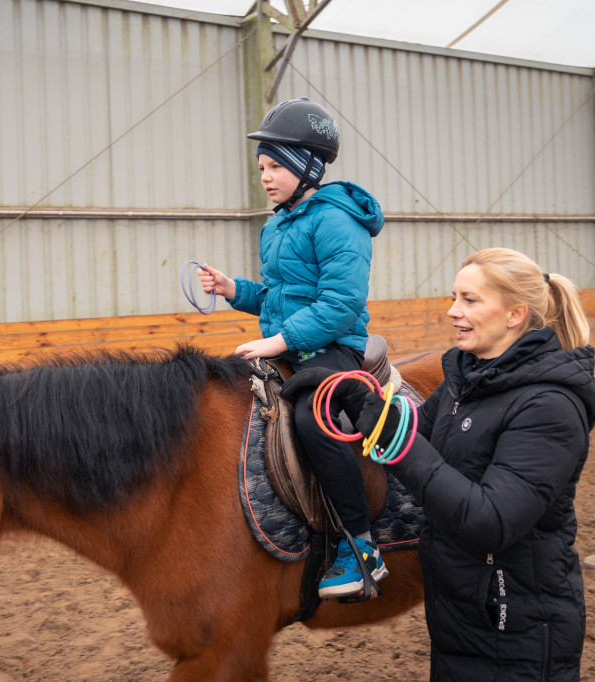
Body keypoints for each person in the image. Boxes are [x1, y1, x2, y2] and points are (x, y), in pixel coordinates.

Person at [340, 247, 595, 680]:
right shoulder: (468, 377)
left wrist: (399, 443)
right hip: (460, 618)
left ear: (515, 314)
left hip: (517, 627)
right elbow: (415, 429)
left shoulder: (550, 405)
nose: (452, 311)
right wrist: (354, 396)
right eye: (453, 297)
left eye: (469, 300)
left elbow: (491, 520)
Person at [197, 96, 387, 599]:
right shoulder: (277, 225)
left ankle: (362, 548)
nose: (265, 176)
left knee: (311, 419)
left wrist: (276, 341)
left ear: (308, 166)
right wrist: (231, 288)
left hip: (333, 346)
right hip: (291, 345)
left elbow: (341, 305)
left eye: (276, 165)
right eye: (262, 166)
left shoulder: (336, 221)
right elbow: (276, 297)